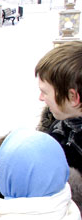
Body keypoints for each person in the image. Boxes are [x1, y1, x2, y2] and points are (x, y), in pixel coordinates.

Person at [35, 41, 82, 173]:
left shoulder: (75, 150)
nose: (41, 98)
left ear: (72, 97)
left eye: (45, 92)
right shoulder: (60, 125)